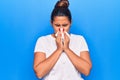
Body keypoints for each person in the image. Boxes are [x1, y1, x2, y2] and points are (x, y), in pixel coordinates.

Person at [33, 0, 92, 80]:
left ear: (71, 23)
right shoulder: (43, 41)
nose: (61, 29)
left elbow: (86, 70)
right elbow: (39, 73)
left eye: (65, 25)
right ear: (51, 23)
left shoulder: (79, 40)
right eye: (57, 25)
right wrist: (59, 49)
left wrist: (67, 49)